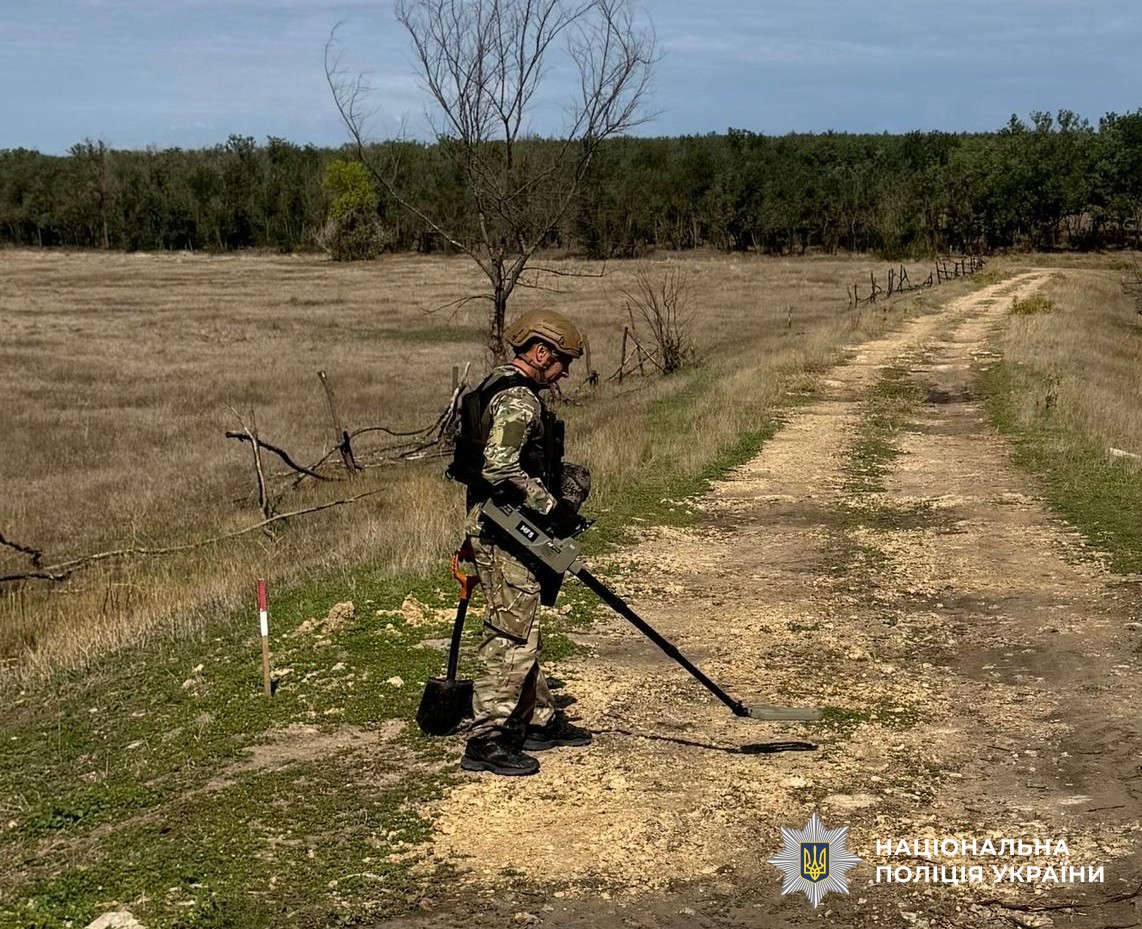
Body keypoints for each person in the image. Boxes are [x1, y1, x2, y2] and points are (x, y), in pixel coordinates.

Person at [450, 308, 594, 776]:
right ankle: (488, 737)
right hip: (504, 528)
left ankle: (539, 718)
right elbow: (499, 467)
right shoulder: (519, 400)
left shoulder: (492, 386)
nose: (566, 371)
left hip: (498, 523)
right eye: (562, 361)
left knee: (521, 622)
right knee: (511, 632)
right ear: (539, 352)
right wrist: (553, 508)